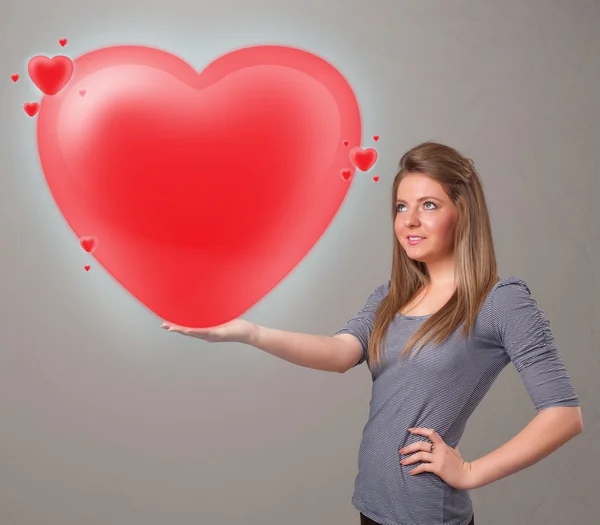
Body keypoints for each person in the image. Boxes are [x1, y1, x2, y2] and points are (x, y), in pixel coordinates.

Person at [161, 141, 582, 525]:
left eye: (429, 205)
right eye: (401, 207)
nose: (410, 221)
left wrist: (469, 472)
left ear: (463, 211)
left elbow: (564, 416)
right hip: (372, 508)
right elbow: (339, 353)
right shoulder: (390, 297)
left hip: (426, 517)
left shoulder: (499, 301)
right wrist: (249, 333)